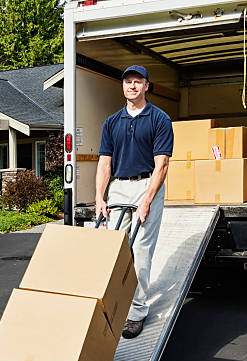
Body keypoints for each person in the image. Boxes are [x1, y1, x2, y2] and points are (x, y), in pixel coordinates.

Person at [95, 65, 173, 339]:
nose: (132, 86)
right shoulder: (112, 122)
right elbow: (105, 162)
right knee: (114, 250)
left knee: (140, 251)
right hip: (118, 187)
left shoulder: (159, 119)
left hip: (146, 184)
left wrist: (147, 200)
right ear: (123, 87)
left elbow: (161, 164)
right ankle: (113, 303)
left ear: (146, 87)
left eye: (138, 82)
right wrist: (99, 198)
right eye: (128, 82)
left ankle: (136, 312)